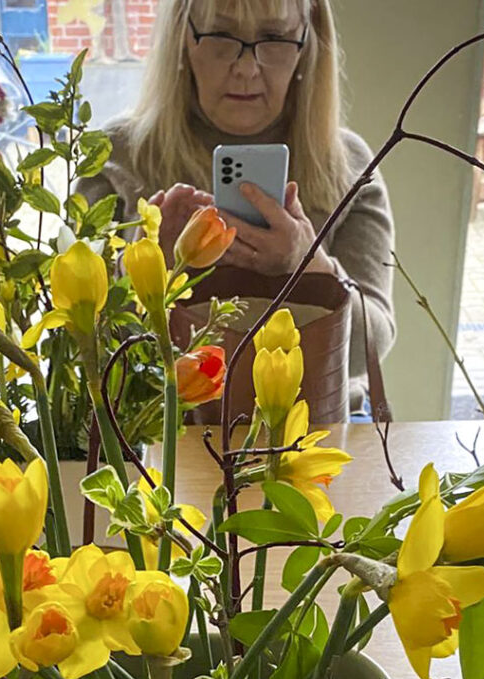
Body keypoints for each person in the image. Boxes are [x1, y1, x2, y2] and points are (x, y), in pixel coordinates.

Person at [77, 0, 395, 412]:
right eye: (222, 37)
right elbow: (83, 349)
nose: (246, 68)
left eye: (275, 38)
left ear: (307, 46)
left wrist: (309, 263)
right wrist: (141, 274)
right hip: (157, 438)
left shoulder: (347, 167)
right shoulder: (117, 157)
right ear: (183, 41)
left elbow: (369, 350)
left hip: (312, 430)